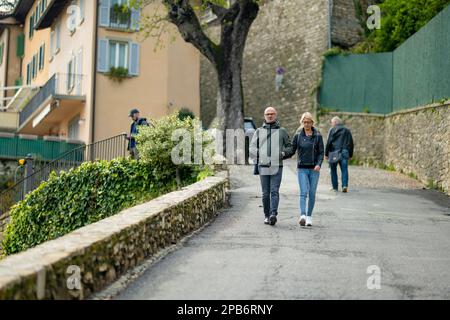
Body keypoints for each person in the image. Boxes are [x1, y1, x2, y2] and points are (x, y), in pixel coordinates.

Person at [249, 106, 292, 226]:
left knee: (274, 191)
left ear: (275, 115)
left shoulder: (282, 131)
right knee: (265, 193)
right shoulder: (258, 131)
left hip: (277, 165)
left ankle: (273, 214)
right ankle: (266, 215)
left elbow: (290, 147)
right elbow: (252, 148)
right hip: (263, 165)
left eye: (272, 114)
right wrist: (260, 154)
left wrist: (283, 153)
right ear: (264, 116)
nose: (270, 116)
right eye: (267, 114)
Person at [287, 112, 324, 227]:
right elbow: (292, 150)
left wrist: (319, 164)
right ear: (302, 122)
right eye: (304, 122)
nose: (306, 124)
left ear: (312, 122)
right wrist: (281, 155)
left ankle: (309, 217)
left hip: (314, 169)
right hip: (302, 168)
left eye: (308, 122)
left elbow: (321, 152)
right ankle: (302, 215)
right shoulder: (298, 135)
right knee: (303, 192)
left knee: (312, 193)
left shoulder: (318, 136)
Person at [325, 116, 354, 193]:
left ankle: (335, 187)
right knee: (344, 170)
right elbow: (351, 143)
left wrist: (326, 153)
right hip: (344, 152)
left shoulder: (332, 130)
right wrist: (350, 154)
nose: (331, 124)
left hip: (334, 152)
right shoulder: (347, 130)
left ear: (335, 122)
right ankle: (344, 186)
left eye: (331, 122)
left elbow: (329, 142)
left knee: (333, 170)